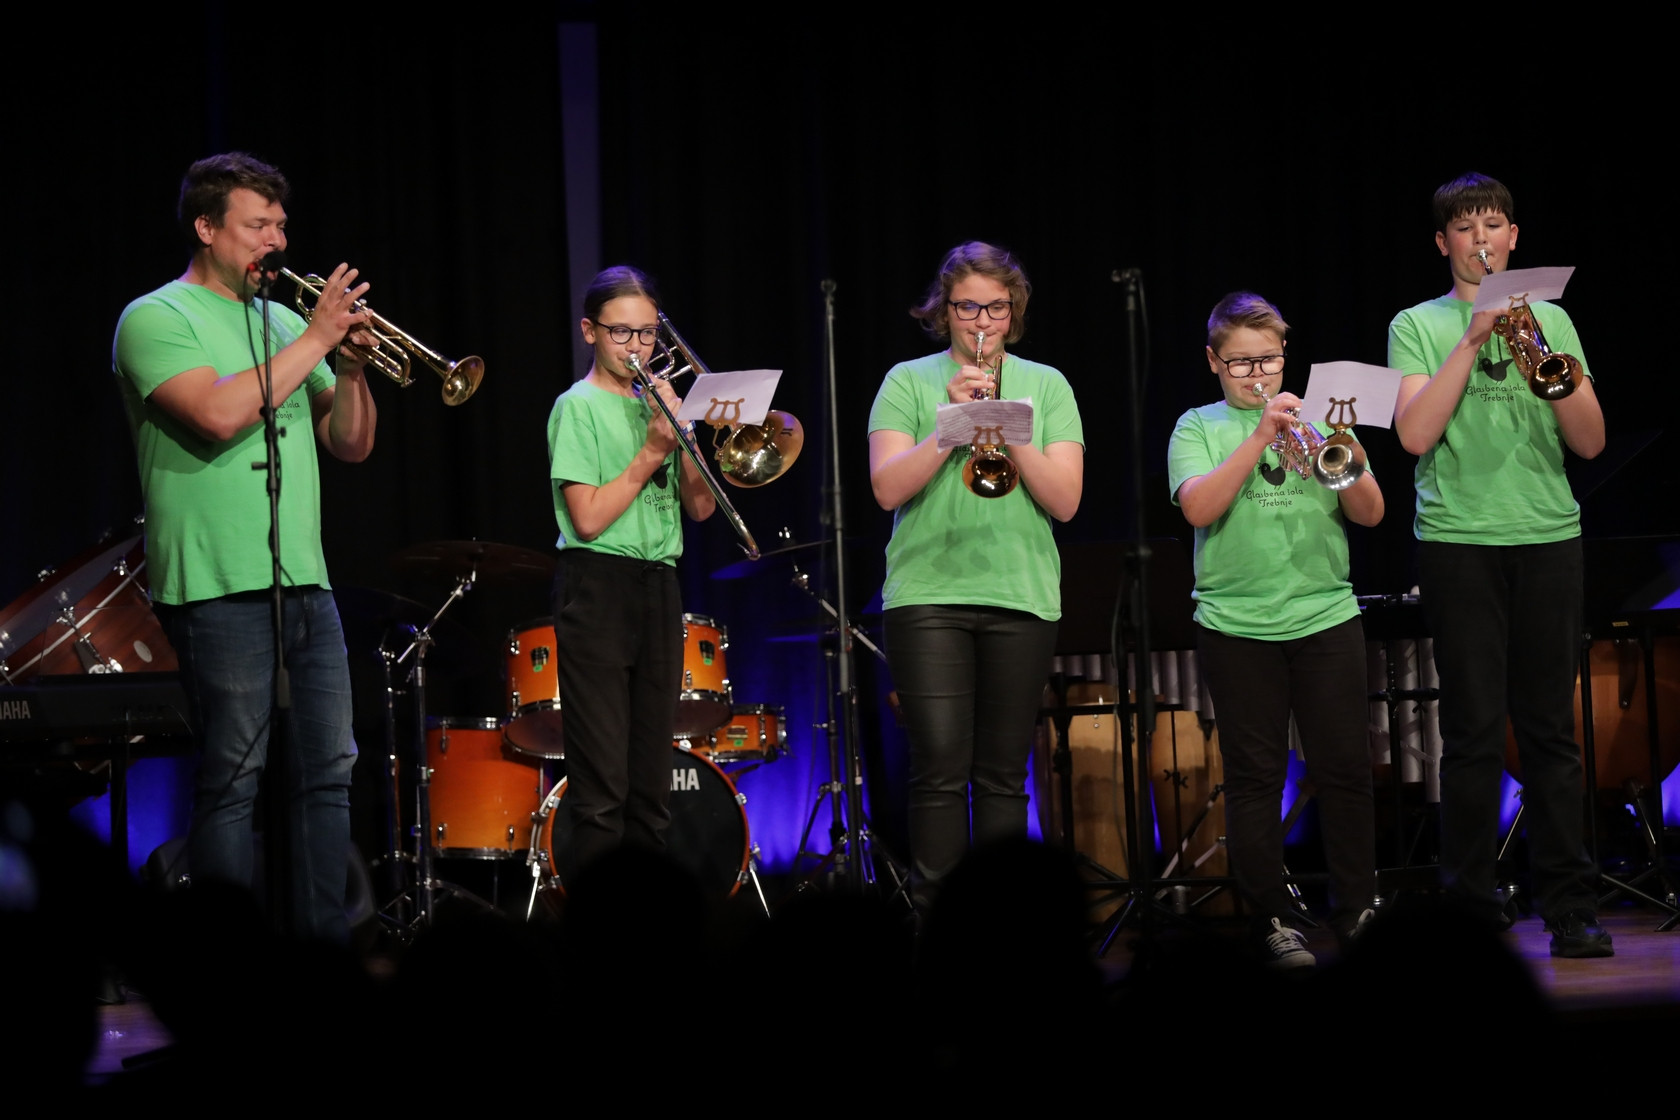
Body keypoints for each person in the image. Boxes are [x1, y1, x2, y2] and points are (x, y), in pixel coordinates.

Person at [113, 152, 378, 943]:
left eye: (281, 224)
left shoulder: (286, 322)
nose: (276, 238)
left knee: (330, 775)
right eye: (257, 225)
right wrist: (320, 337)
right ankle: (227, 973)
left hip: (306, 579)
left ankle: (320, 959)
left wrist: (354, 368)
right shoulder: (156, 318)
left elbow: (352, 444)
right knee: (234, 779)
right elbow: (219, 415)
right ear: (206, 227)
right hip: (215, 583)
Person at [1390, 172, 1611, 957]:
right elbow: (1414, 435)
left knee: (1552, 732)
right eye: (1463, 228)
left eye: (1493, 225)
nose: (1480, 239)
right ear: (1444, 242)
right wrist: (1475, 337)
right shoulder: (1416, 324)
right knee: (1475, 734)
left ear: (1514, 237)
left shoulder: (1552, 318)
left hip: (1549, 535)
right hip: (1459, 543)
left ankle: (1572, 906)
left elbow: (1589, 440)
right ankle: (1472, 911)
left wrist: (1537, 347)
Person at [1168, 292, 1384, 967]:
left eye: (1266, 359)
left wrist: (1335, 447)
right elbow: (1199, 507)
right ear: (1213, 362)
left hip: (1325, 614)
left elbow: (1373, 513)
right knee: (1257, 776)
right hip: (1237, 624)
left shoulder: (1324, 418)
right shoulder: (1196, 426)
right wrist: (1260, 435)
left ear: (1286, 356)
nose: (1255, 374)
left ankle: (1358, 908)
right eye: (1239, 363)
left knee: (1346, 770)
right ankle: (1273, 917)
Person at [867, 241, 1085, 913]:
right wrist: (951, 426)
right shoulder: (907, 381)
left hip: (1019, 595)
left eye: (995, 307)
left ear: (1013, 311)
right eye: (967, 307)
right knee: (937, 770)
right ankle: (937, 933)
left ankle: (1005, 924)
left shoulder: (1047, 385)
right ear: (945, 310)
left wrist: (1006, 425)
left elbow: (1067, 501)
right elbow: (885, 488)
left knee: (1001, 775)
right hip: (928, 595)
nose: (981, 321)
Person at [547, 266, 715, 883]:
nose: (638, 348)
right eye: (622, 334)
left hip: (658, 585)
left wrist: (686, 438)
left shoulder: (659, 406)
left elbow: (699, 508)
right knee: (603, 787)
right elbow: (587, 519)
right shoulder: (577, 407)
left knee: (651, 782)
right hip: (597, 585)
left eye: (647, 335)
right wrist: (650, 452)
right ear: (590, 331)